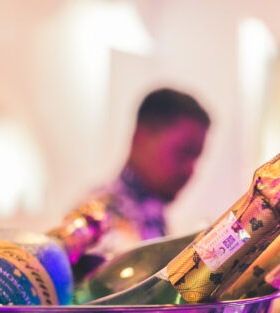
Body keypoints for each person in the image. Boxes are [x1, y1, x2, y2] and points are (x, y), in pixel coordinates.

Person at [88, 87, 210, 258]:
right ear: (142, 135)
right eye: (184, 152)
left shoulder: (153, 214)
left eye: (196, 157)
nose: (190, 170)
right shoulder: (99, 217)